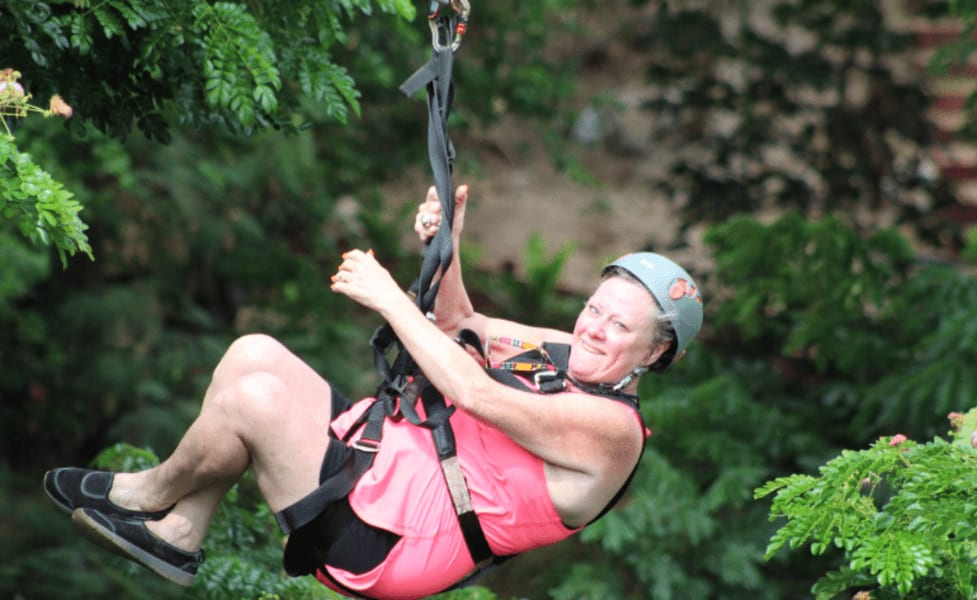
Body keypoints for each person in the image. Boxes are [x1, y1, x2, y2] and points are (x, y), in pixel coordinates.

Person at [43, 184, 703, 599]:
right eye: (593, 308)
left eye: (619, 326)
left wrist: (390, 298)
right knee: (254, 353)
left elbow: (474, 393)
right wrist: (448, 243)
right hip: (378, 469)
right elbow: (459, 327)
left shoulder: (610, 431)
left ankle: (150, 495)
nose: (591, 327)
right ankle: (181, 530)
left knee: (254, 401)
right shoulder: (558, 352)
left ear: (653, 354)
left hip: (389, 542)